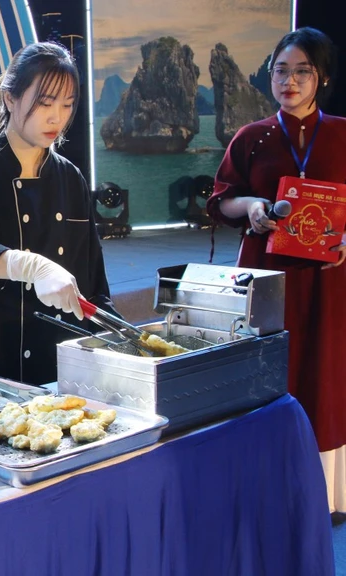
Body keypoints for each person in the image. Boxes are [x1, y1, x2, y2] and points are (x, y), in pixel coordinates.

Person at [207, 27, 346, 512]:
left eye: (301, 71)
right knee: (271, 372)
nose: (289, 80)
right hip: (269, 278)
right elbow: (221, 201)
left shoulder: (343, 133)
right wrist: (252, 207)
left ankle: (326, 496)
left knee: (326, 373)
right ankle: (265, 489)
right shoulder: (251, 137)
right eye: (280, 71)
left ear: (321, 77)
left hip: (331, 282)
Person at [0, 41, 118, 386]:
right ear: (10, 98)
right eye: (45, 103)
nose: (57, 117)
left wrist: (120, 342)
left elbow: (93, 282)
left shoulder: (70, 178)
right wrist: (32, 266)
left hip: (56, 363)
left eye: (67, 105)